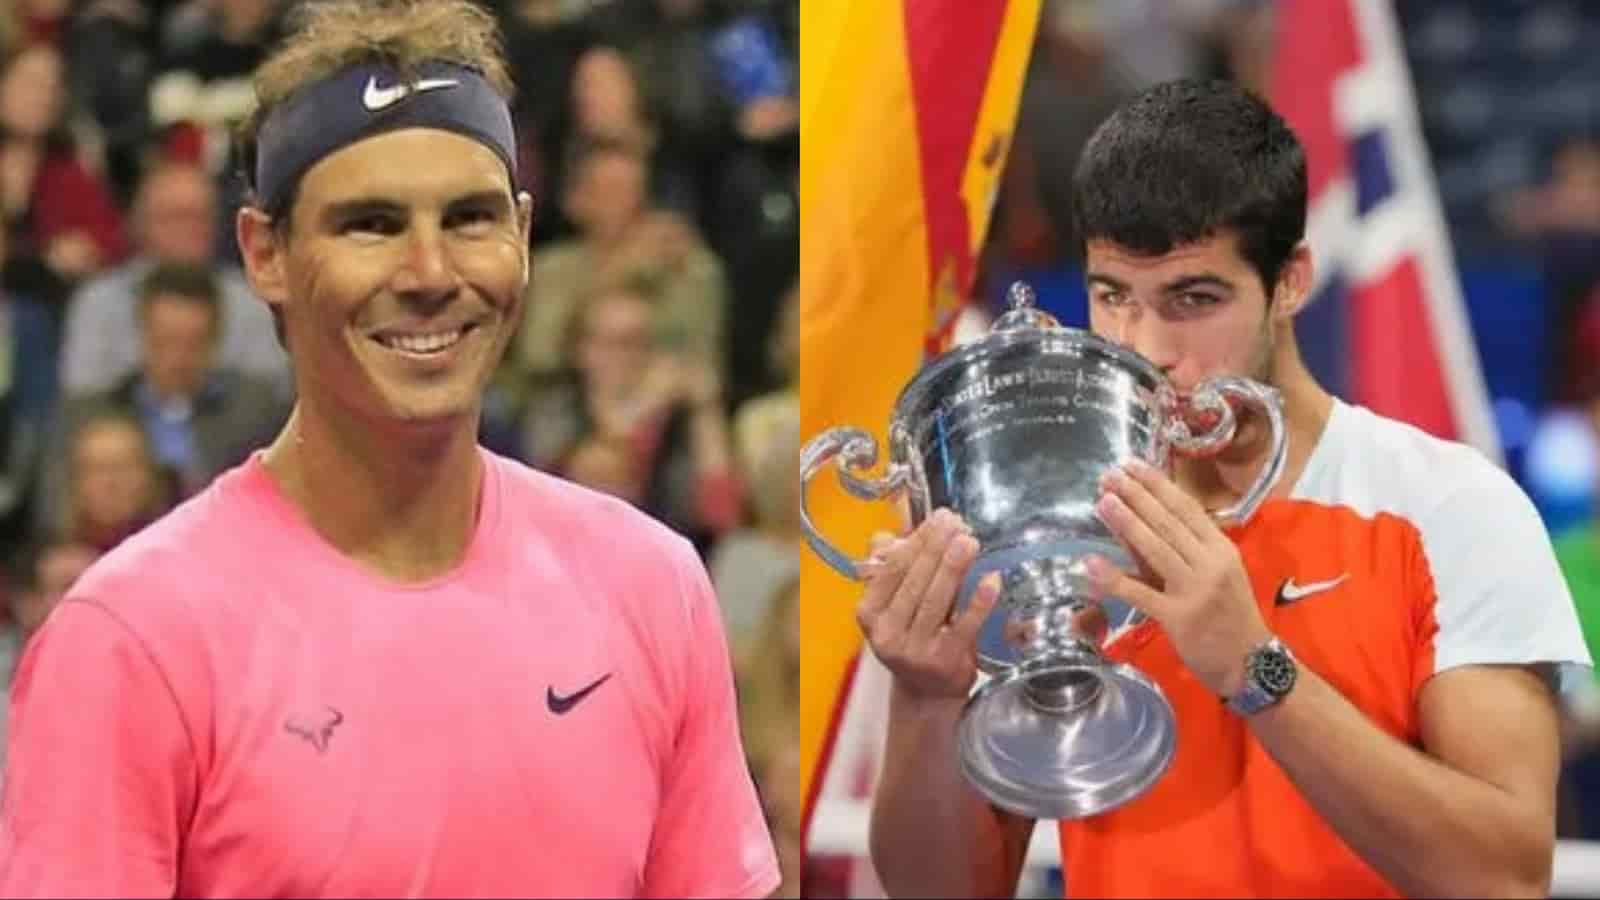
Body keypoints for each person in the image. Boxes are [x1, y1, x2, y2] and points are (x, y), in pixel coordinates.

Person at [0, 1, 779, 896]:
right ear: (265, 253)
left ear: (523, 237)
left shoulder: (652, 585)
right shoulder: (131, 639)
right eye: (370, 224)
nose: (431, 274)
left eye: (471, 218)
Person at [857, 78, 1592, 898]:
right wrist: (924, 702)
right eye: (1113, 297)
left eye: (1194, 298)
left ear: (1290, 281)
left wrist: (1255, 669)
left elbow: (1502, 878)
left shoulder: (1448, 505)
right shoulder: (1055, 524)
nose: (1148, 348)